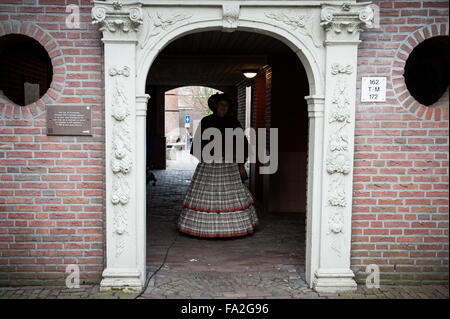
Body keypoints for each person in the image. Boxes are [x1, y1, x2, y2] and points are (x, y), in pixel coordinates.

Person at [176, 93, 259, 238]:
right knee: (208, 196)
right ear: (215, 106)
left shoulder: (234, 123)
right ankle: (204, 229)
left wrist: (240, 164)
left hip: (230, 166)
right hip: (210, 165)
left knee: (232, 196)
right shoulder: (206, 121)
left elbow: (242, 144)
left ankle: (233, 229)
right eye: (221, 105)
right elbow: (198, 144)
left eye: (226, 106)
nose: (223, 108)